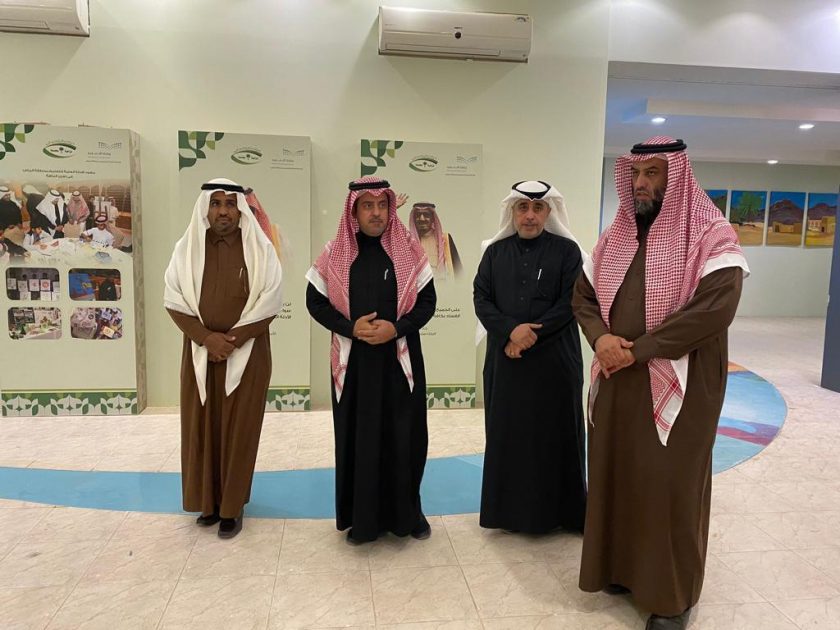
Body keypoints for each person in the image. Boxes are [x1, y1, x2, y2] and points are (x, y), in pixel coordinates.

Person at [573, 137, 749, 630]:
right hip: (617, 378)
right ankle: (621, 570)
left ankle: (671, 598)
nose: (641, 183)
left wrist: (640, 349)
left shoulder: (711, 234)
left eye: (653, 172)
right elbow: (583, 296)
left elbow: (714, 309)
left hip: (681, 383)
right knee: (619, 475)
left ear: (677, 176)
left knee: (669, 485)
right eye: (636, 173)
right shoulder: (616, 236)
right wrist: (601, 338)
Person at [306, 176, 436, 545]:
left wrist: (396, 329)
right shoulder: (334, 253)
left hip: (400, 364)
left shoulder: (409, 250)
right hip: (355, 366)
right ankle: (361, 520)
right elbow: (314, 302)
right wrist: (351, 328)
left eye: (382, 205)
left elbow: (427, 303)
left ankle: (408, 515)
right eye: (368, 206)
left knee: (405, 438)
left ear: (390, 208)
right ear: (354, 211)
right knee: (359, 440)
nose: (376, 213)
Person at [164, 178, 283, 539]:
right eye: (215, 203)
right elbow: (173, 299)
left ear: (240, 209)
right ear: (206, 208)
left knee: (239, 430)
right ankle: (207, 504)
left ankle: (231, 508)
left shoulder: (260, 249)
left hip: (247, 354)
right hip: (200, 355)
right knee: (200, 428)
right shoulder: (186, 248)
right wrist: (205, 339)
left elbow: (271, 300)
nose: (223, 211)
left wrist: (231, 341)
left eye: (230, 204)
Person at [473, 180, 587, 534]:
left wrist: (526, 336)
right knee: (510, 436)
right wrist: (511, 331)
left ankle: (563, 514)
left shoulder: (568, 252)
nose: (530, 216)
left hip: (555, 363)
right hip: (507, 362)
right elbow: (481, 299)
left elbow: (571, 301)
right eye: (523, 207)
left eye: (538, 208)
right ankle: (508, 515)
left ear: (549, 212)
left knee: (555, 436)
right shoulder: (495, 253)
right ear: (513, 212)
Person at [408, 202, 462, 279]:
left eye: (426, 215)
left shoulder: (446, 239)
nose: (422, 219)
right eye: (418, 215)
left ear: (433, 219)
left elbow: (458, 271)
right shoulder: (408, 242)